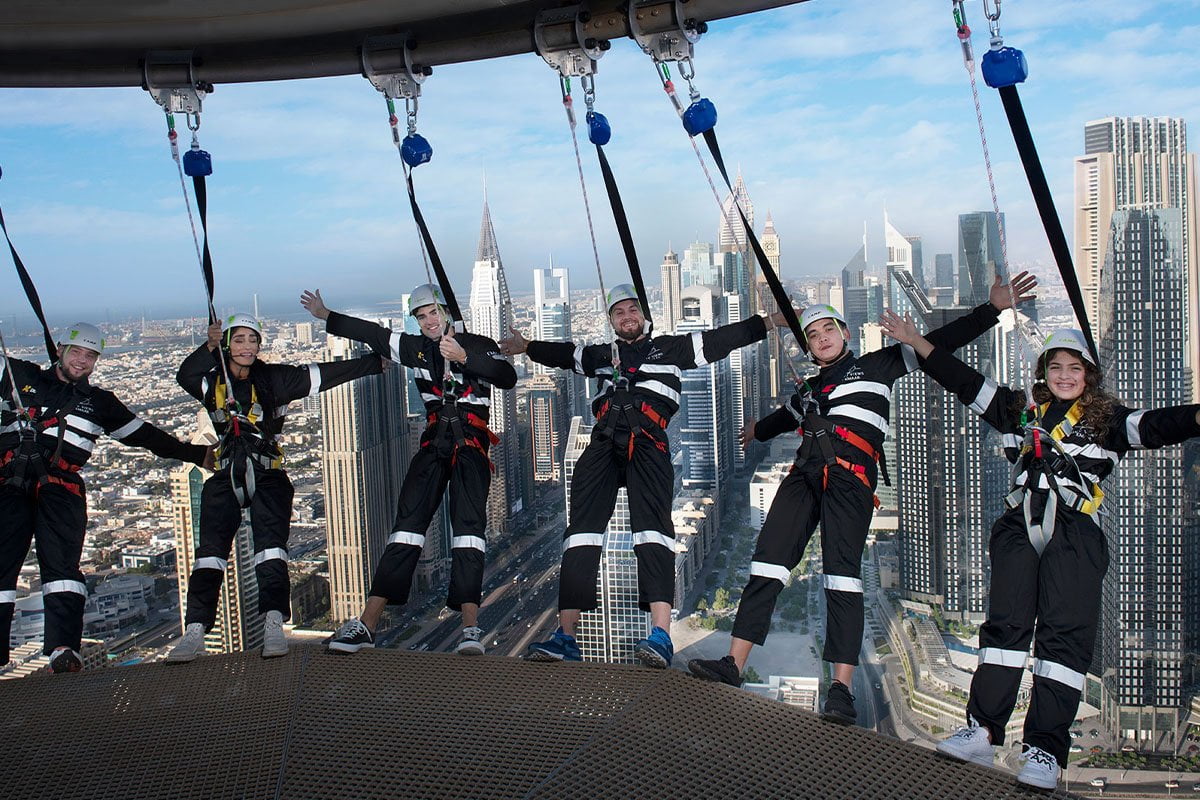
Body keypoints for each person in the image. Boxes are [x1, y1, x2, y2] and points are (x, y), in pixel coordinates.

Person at [688, 272, 1038, 725]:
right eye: (812, 335)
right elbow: (783, 417)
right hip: (803, 478)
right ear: (808, 348)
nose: (821, 338)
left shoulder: (878, 366)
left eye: (828, 329)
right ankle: (732, 664)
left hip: (850, 481)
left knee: (842, 578)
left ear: (846, 334)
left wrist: (992, 309)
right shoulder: (808, 391)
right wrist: (756, 429)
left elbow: (941, 343)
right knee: (767, 561)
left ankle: (841, 689)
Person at [879, 315, 1200, 789]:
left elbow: (1157, 425)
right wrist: (916, 343)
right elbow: (965, 382)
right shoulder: (1019, 410)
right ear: (1044, 371)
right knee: (1005, 628)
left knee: (1064, 639)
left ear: (1089, 374)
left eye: (1075, 367)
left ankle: (1044, 752)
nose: (1065, 375)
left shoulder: (1109, 420)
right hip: (1020, 521)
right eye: (1056, 367)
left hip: (1075, 531)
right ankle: (983, 730)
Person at [501, 283, 791, 668]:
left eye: (631, 310)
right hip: (603, 442)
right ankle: (565, 637)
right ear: (611, 322)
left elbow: (723, 340)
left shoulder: (670, 349)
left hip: (648, 442)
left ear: (645, 316)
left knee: (653, 532)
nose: (626, 317)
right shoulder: (604, 355)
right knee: (581, 535)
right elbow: (566, 355)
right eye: (618, 313)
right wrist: (527, 347)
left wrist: (772, 321)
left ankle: (660, 635)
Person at [307, 285, 517, 655]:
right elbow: (372, 333)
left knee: (468, 530)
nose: (429, 321)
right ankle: (367, 623)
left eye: (433, 313)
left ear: (447, 312)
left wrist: (464, 356)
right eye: (421, 317)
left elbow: (505, 376)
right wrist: (327, 316)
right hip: (434, 443)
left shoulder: (478, 343)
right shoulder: (415, 349)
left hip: (470, 444)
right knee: (406, 527)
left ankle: (470, 629)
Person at [167, 312, 382, 662]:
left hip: (267, 472)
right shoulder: (212, 382)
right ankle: (195, 629)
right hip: (227, 473)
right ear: (227, 344)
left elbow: (322, 376)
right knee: (210, 551)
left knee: (271, 548)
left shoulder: (275, 379)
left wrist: (375, 363)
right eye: (239, 340)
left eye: (253, 340)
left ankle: (272, 621)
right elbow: (184, 375)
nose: (247, 347)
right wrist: (208, 348)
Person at [0, 323, 212, 672]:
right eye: (77, 352)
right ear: (59, 351)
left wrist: (195, 455)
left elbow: (147, 436)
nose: (82, 361)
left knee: (62, 569)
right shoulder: (19, 376)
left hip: (60, 488)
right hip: (9, 484)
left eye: (91, 355)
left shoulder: (99, 403)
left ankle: (63, 649)